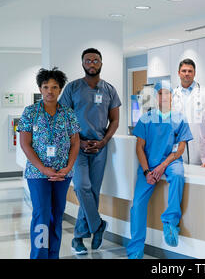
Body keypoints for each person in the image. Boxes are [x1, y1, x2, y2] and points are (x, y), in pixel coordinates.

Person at [59, 48, 121, 255]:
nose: (92, 64)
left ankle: (78, 238)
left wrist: (104, 141)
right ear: (82, 63)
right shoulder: (72, 88)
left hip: (100, 148)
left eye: (95, 60)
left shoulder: (109, 90)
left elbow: (115, 120)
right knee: (82, 187)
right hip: (77, 146)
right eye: (88, 60)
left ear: (101, 63)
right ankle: (97, 225)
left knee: (93, 192)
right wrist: (79, 141)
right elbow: (63, 119)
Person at [18, 67, 80, 259]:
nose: (50, 91)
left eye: (54, 87)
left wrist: (68, 167)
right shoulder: (30, 112)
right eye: (46, 87)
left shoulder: (68, 113)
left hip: (62, 173)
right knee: (41, 215)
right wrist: (43, 169)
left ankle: (53, 255)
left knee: (57, 216)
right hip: (38, 174)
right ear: (40, 88)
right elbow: (25, 144)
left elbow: (75, 142)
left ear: (60, 89)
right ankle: (39, 255)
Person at [127, 81, 193, 259]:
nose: (164, 97)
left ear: (172, 96)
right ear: (156, 97)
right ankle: (135, 251)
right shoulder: (146, 118)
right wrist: (148, 171)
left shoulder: (179, 118)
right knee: (138, 205)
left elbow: (180, 149)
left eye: (167, 93)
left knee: (178, 176)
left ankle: (170, 222)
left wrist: (163, 166)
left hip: (171, 162)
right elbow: (139, 147)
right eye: (160, 94)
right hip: (149, 164)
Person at [172, 58, 205, 165]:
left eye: (190, 71)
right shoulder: (172, 94)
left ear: (194, 73)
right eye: (184, 71)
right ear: (178, 73)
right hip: (178, 140)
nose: (187, 74)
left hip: (199, 140)